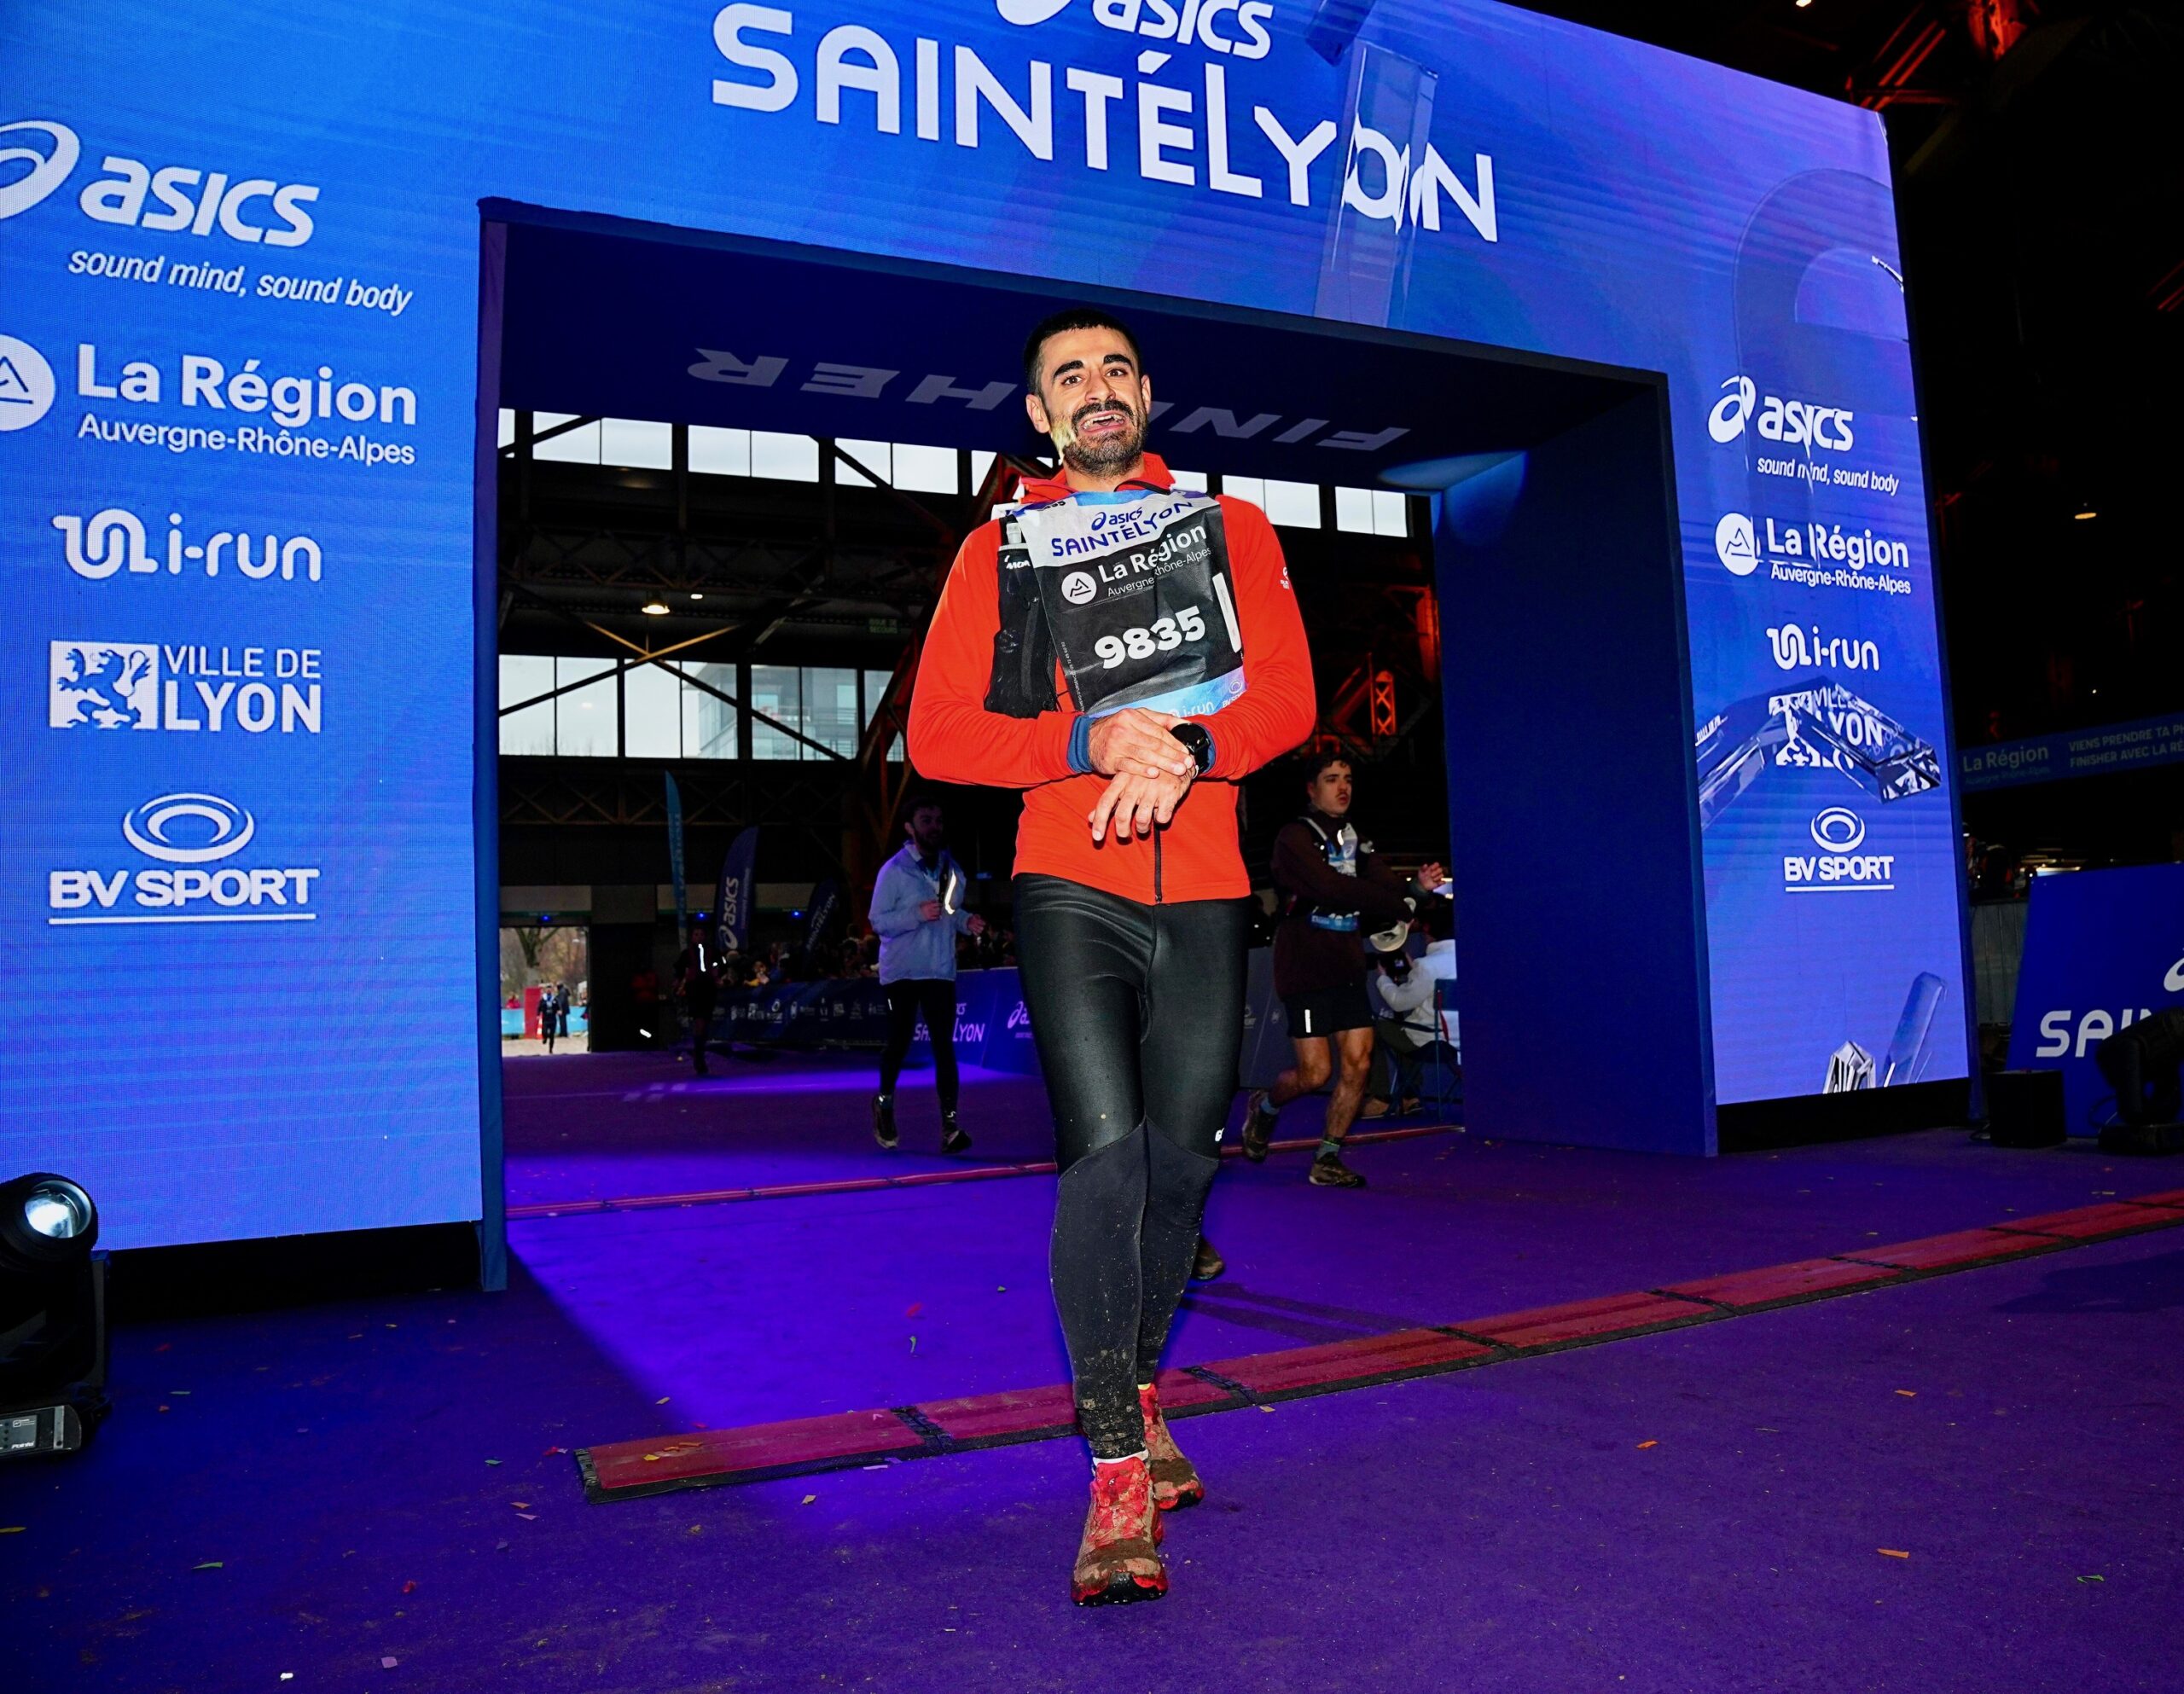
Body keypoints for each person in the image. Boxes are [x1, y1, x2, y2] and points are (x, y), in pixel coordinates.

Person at [908, 306, 1314, 1605]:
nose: (1097, 389)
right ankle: (1114, 1473)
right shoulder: (996, 551)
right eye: (1069, 375)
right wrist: (1087, 743)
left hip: (1207, 883)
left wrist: (1190, 748)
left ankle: (1137, 1391)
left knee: (1183, 1168)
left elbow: (1289, 697)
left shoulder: (1231, 528)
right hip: (1067, 880)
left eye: (1117, 370)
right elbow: (936, 734)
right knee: (1106, 1160)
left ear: (1148, 396)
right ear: (1039, 414)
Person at [1240, 755, 1443, 1187]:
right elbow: (1331, 888)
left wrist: (1417, 889)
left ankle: (1327, 1157)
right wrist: (1399, 903)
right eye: (1331, 779)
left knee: (1359, 1064)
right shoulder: (1293, 837)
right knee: (1314, 1074)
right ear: (1312, 790)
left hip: (1346, 964)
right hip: (1305, 965)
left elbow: (1387, 884)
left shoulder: (1356, 840)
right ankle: (1266, 1106)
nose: (1343, 786)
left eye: (1348, 779)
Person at [869, 798, 987, 1154]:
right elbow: (878, 922)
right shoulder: (893, 871)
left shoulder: (952, 869)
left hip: (939, 971)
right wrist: (916, 914)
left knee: (943, 1048)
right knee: (898, 1043)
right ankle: (884, 1104)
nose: (934, 826)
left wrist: (967, 921)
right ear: (910, 827)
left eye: (938, 820)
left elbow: (950, 911)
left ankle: (950, 1126)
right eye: (926, 820)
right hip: (901, 973)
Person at [1362, 932, 1436, 1117]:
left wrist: (1383, 978)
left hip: (1425, 1039)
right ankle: (1411, 1096)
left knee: (1375, 1030)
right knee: (1405, 1031)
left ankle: (1381, 1098)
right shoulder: (1460, 961)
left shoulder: (1427, 967)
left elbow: (1399, 1003)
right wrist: (1413, 973)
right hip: (1454, 1043)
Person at [676, 939, 721, 1076]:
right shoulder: (687, 953)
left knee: (705, 1022)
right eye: (696, 934)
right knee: (699, 1022)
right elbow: (679, 969)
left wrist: (716, 975)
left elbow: (720, 965)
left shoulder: (712, 951)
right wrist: (681, 982)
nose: (699, 937)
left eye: (701, 934)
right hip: (694, 990)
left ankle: (700, 1052)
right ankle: (698, 1056)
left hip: (708, 989)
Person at [538, 983, 561, 1054]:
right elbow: (539, 1007)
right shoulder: (543, 998)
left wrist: (559, 1011)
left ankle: (551, 1049)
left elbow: (558, 1007)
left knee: (552, 1035)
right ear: (546, 990)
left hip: (553, 1019)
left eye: (550, 989)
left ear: (552, 990)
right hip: (545, 1018)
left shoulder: (555, 999)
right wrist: (538, 1014)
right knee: (544, 1031)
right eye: (548, 989)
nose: (549, 990)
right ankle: (545, 1038)